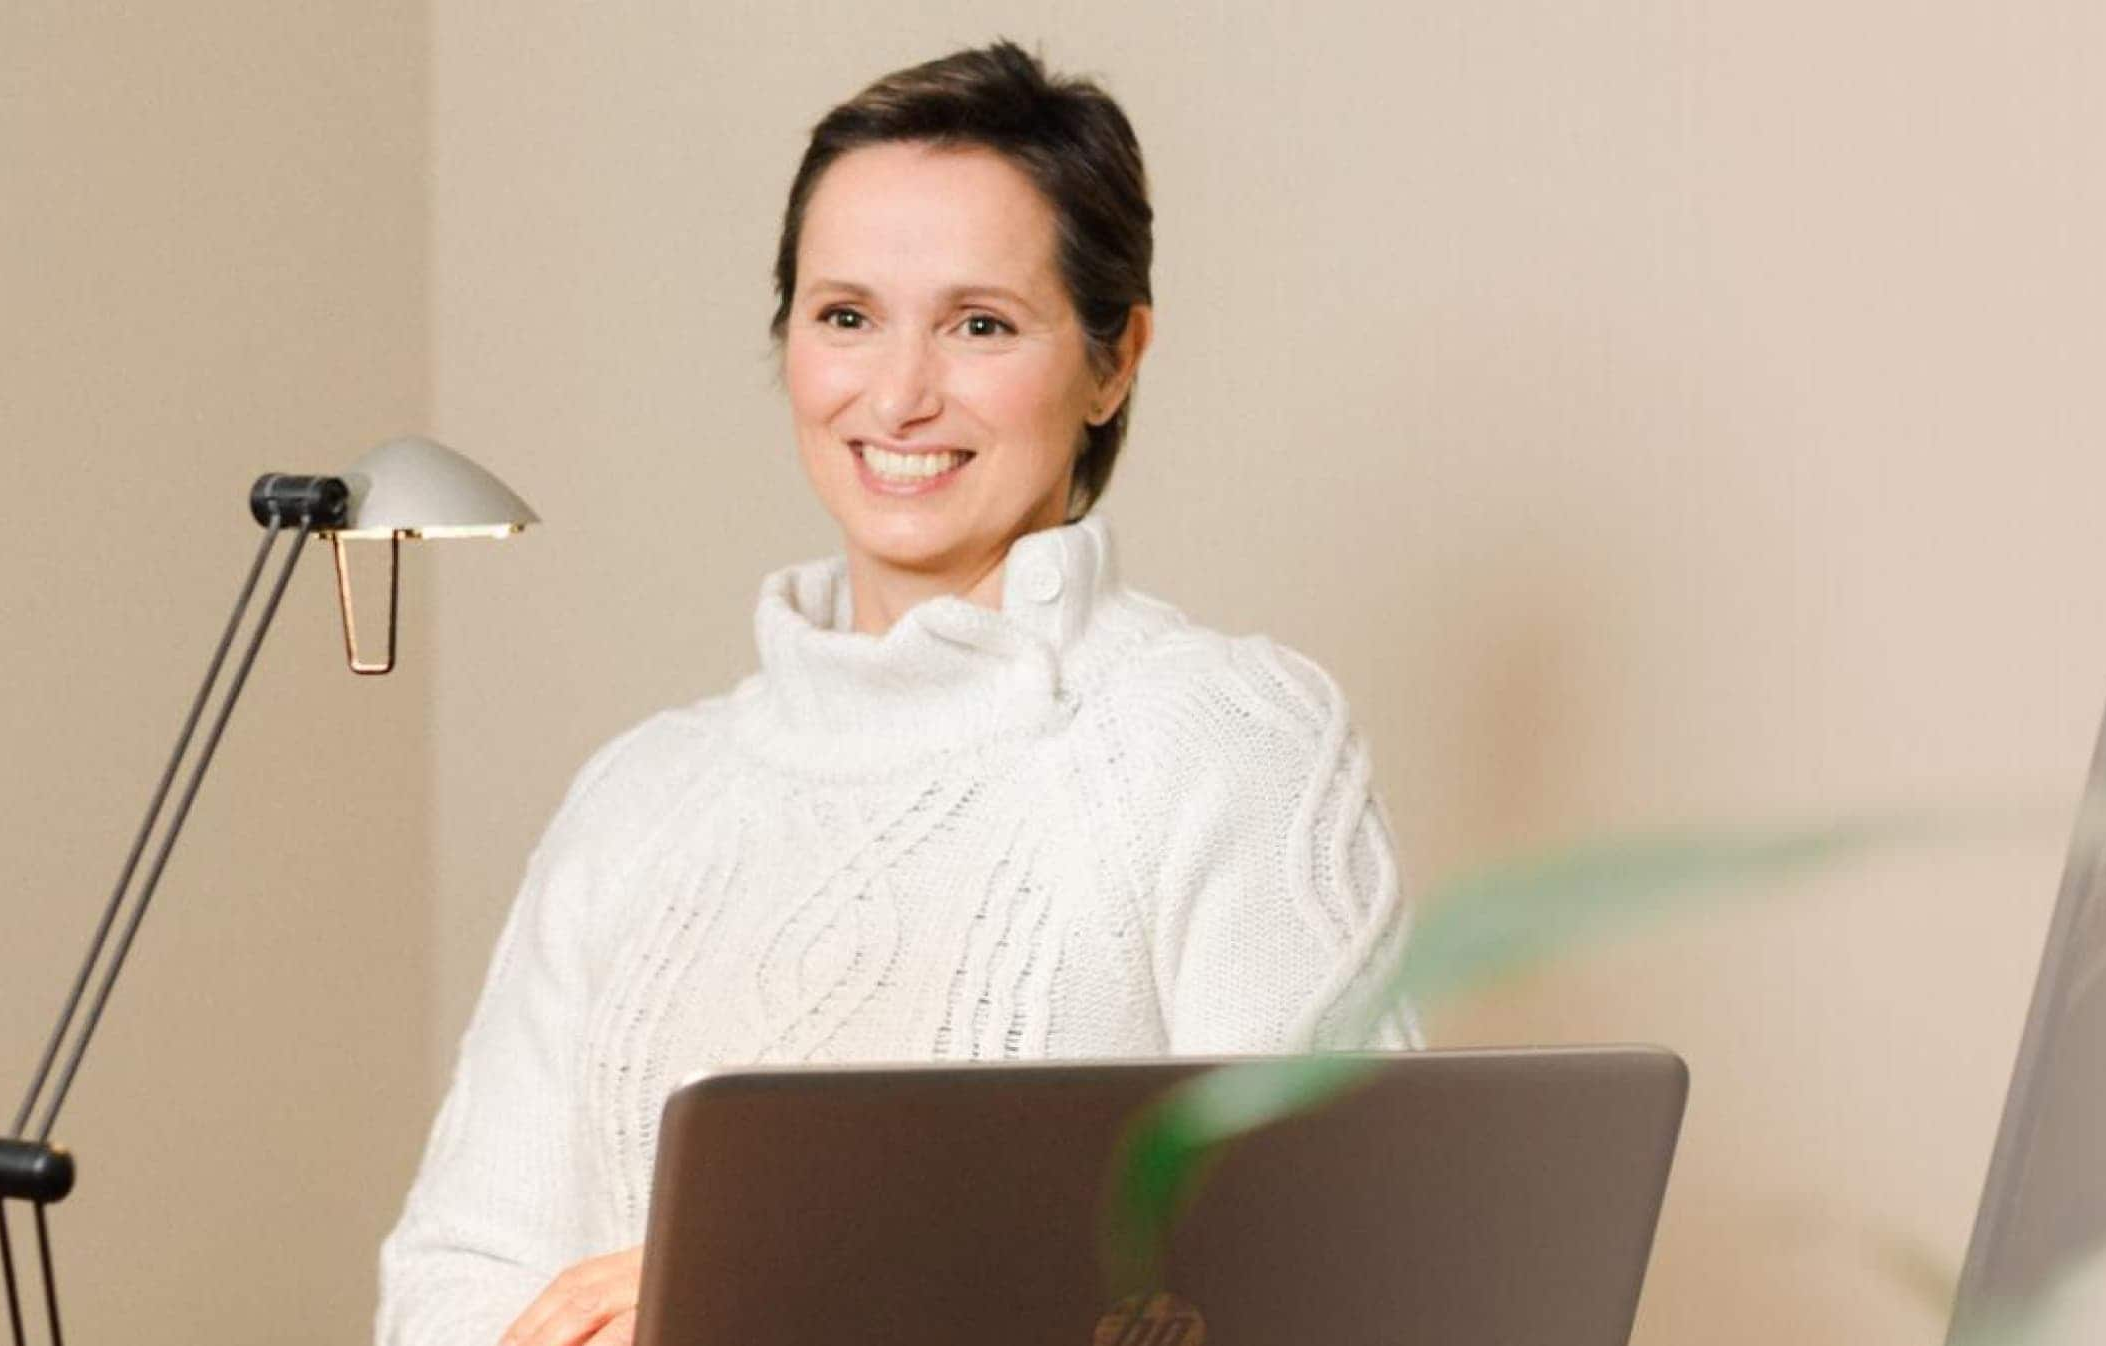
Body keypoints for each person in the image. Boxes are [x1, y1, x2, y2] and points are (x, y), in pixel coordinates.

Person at [376, 41, 1417, 1346]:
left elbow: (1350, 1277)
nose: (900, 392)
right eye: (847, 315)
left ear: (1112, 360)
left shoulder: (1223, 743)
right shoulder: (638, 799)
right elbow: (452, 1279)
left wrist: (761, 1290)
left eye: (980, 323)